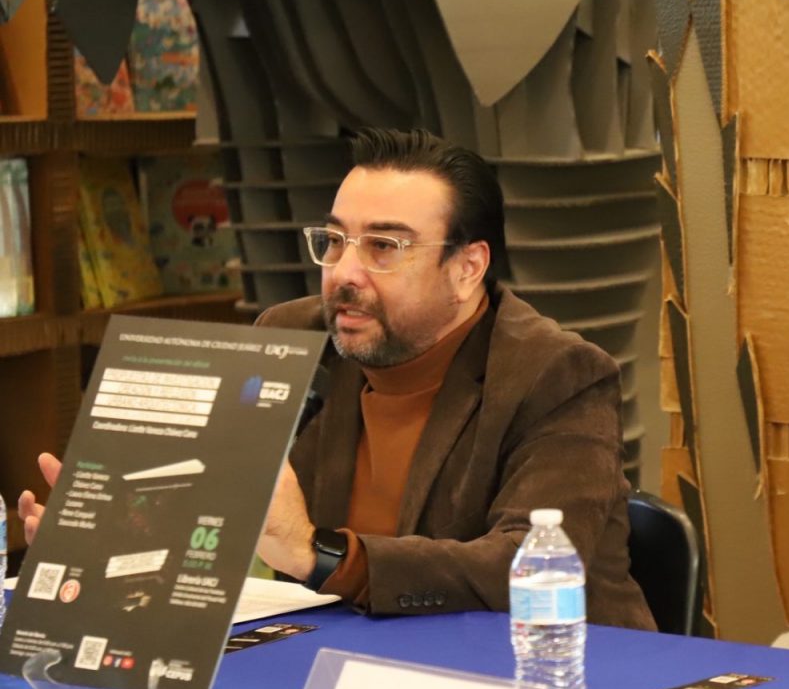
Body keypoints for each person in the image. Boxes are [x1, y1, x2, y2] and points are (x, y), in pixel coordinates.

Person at [20, 128, 655, 629]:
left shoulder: (557, 374)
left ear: (467, 269)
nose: (344, 272)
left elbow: (526, 563)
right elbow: (210, 512)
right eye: (333, 240)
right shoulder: (291, 338)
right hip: (340, 666)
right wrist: (108, 544)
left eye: (383, 247)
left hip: (548, 684)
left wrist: (317, 553)